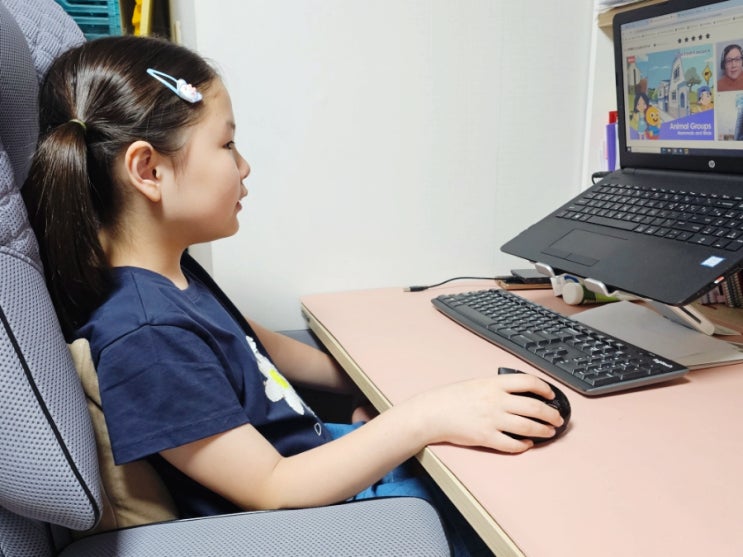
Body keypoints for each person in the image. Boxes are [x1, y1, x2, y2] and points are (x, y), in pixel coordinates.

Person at [22, 35, 563, 555]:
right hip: (315, 518)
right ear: (149, 170)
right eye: (227, 145)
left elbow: (257, 346)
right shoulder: (145, 337)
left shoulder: (172, 275)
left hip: (324, 463)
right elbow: (273, 486)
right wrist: (422, 416)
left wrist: (382, 390)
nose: (244, 166)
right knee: (521, 514)